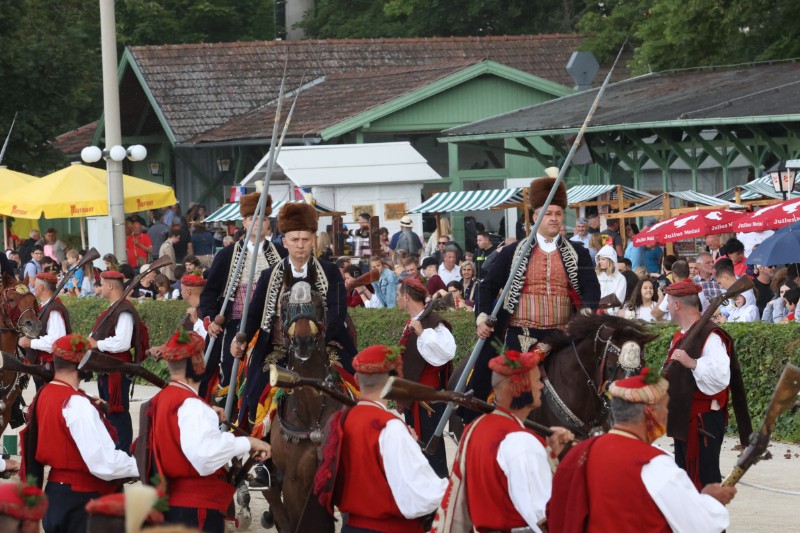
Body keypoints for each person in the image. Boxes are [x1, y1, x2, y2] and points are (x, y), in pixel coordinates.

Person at [548, 367, 735, 532]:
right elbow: (701, 526)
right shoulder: (655, 464)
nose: (667, 413)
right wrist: (712, 500)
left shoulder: (581, 451)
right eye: (665, 406)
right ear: (650, 411)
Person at [473, 176, 600, 414]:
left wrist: (585, 314)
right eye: (548, 213)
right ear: (535, 217)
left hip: (563, 334)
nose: (553, 218)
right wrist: (481, 318)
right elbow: (486, 286)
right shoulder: (513, 252)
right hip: (521, 335)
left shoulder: (578, 254)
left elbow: (592, 288)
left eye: (558, 213)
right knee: (501, 388)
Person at [235, 202, 356, 429]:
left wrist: (320, 337)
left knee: (356, 382)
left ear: (313, 241)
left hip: (324, 345)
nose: (300, 245)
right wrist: (240, 339)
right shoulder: (269, 275)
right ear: (285, 242)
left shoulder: (329, 272)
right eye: (295, 240)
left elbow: (338, 311)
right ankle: (264, 456)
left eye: (305, 239)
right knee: (254, 395)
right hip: (280, 348)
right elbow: (253, 315)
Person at [435, 348, 573, 533]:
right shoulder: (523, 443)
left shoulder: (475, 428)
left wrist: (550, 452)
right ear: (520, 388)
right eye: (537, 381)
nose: (541, 386)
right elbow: (546, 515)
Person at [146, 330, 271, 532]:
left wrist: (208, 415)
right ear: (197, 363)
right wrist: (249, 442)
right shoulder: (193, 407)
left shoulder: (162, 399)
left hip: (171, 506)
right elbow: (204, 457)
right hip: (196, 511)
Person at [315, 345, 447, 532]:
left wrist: (409, 444)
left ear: (357, 379)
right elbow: (423, 495)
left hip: (351, 527)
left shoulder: (342, 419)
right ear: (392, 383)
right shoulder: (391, 427)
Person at [21, 334, 139, 533]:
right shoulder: (76, 403)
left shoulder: (45, 393)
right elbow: (105, 463)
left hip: (57, 496)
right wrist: (143, 465)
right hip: (82, 501)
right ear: (83, 365)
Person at [198, 192, 286, 402]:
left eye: (263, 218)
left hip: (269, 326)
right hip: (233, 324)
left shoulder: (281, 253)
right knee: (227, 375)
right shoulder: (227, 254)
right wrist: (209, 319)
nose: (257, 223)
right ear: (244, 223)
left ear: (268, 224)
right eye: (252, 218)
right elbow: (209, 292)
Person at [663, 280, 734, 489]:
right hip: (683, 420)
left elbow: (722, 376)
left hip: (703, 423)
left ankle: (712, 521)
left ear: (677, 305)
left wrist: (693, 363)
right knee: (684, 480)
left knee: (705, 480)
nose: (666, 307)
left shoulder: (711, 336)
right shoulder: (679, 336)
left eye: (668, 302)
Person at [396, 277, 456, 477]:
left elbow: (447, 353)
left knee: (433, 455)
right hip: (413, 399)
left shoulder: (433, 323)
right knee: (417, 455)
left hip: (429, 402)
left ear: (406, 297)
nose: (396, 299)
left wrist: (423, 334)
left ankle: (441, 499)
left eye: (398, 295)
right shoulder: (411, 322)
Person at [87, 271, 149, 452]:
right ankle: (115, 450)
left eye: (101, 283)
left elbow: (122, 343)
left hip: (116, 371)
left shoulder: (124, 310)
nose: (99, 288)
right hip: (107, 370)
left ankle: (123, 453)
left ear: (111, 286)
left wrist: (97, 343)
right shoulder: (115, 309)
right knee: (109, 414)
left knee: (118, 413)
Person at [19, 272, 71, 389]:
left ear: (41, 287)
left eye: (35, 285)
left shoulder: (54, 309)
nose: (33, 288)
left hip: (50, 368)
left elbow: (56, 342)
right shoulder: (45, 307)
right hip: (43, 368)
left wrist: (30, 343)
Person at [596, 245, 626, 314]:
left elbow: (618, 300)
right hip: (595, 314)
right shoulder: (598, 276)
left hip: (611, 316)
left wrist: (607, 312)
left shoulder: (621, 279)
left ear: (610, 260)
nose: (600, 261)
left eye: (603, 259)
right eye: (599, 259)